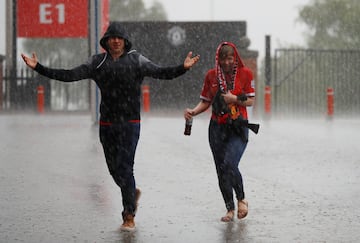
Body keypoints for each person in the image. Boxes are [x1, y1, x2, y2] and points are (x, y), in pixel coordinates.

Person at [21, 22, 200, 231]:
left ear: (125, 41)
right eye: (111, 37)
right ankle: (131, 193)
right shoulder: (97, 62)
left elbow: (161, 72)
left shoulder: (137, 60)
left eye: (119, 37)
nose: (115, 41)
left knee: (126, 167)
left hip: (130, 123)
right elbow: (69, 75)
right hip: (107, 124)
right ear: (106, 41)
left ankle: (128, 215)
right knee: (114, 170)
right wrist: (39, 68)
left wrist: (183, 68)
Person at [184, 42, 255, 222]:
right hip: (217, 128)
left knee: (230, 163)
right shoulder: (211, 76)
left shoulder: (245, 74)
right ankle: (229, 209)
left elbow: (251, 100)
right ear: (218, 59)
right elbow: (206, 101)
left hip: (238, 126)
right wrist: (194, 111)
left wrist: (235, 99)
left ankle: (241, 199)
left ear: (235, 58)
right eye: (223, 59)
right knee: (221, 169)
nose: (227, 62)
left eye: (230, 58)